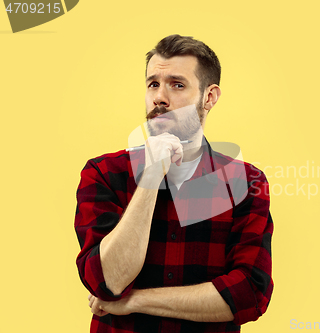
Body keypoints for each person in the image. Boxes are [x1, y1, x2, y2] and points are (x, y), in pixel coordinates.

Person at [74, 35, 273, 333]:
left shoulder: (244, 181)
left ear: (209, 97)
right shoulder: (104, 173)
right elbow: (109, 281)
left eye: (177, 85)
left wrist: (134, 301)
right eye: (153, 83)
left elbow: (248, 294)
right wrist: (152, 175)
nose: (159, 97)